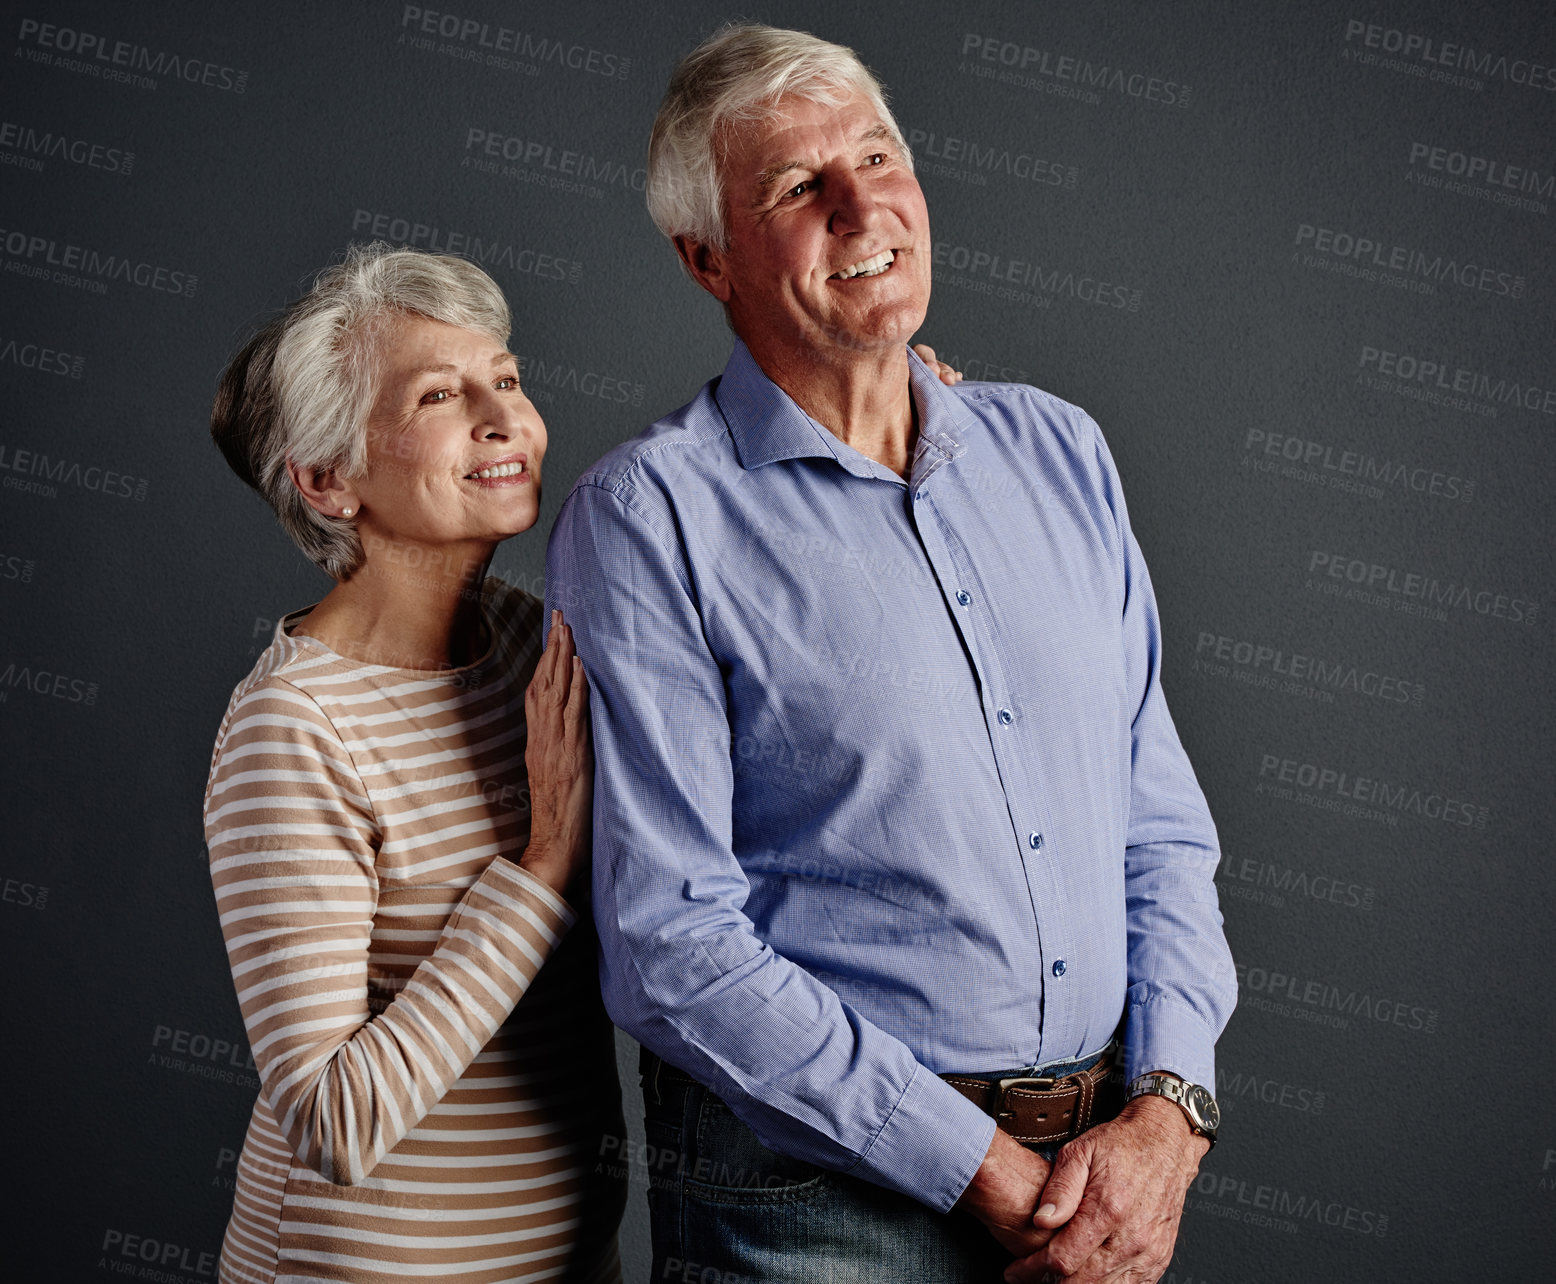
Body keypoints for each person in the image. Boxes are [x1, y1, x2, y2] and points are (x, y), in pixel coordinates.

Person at [545, 24, 1236, 1284]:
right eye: (798, 188)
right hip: (813, 1212)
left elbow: (1160, 835)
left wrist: (1166, 1118)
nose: (865, 207)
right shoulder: (650, 519)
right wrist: (984, 1169)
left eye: (878, 156)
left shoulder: (1059, 453)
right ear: (706, 258)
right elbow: (668, 946)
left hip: (1107, 1178)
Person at [202, 243, 619, 1284]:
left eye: (508, 379)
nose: (502, 418)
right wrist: (540, 868)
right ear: (327, 479)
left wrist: (893, 406)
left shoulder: (534, 641)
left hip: (565, 1257)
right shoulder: (291, 728)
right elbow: (331, 1122)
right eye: (442, 394)